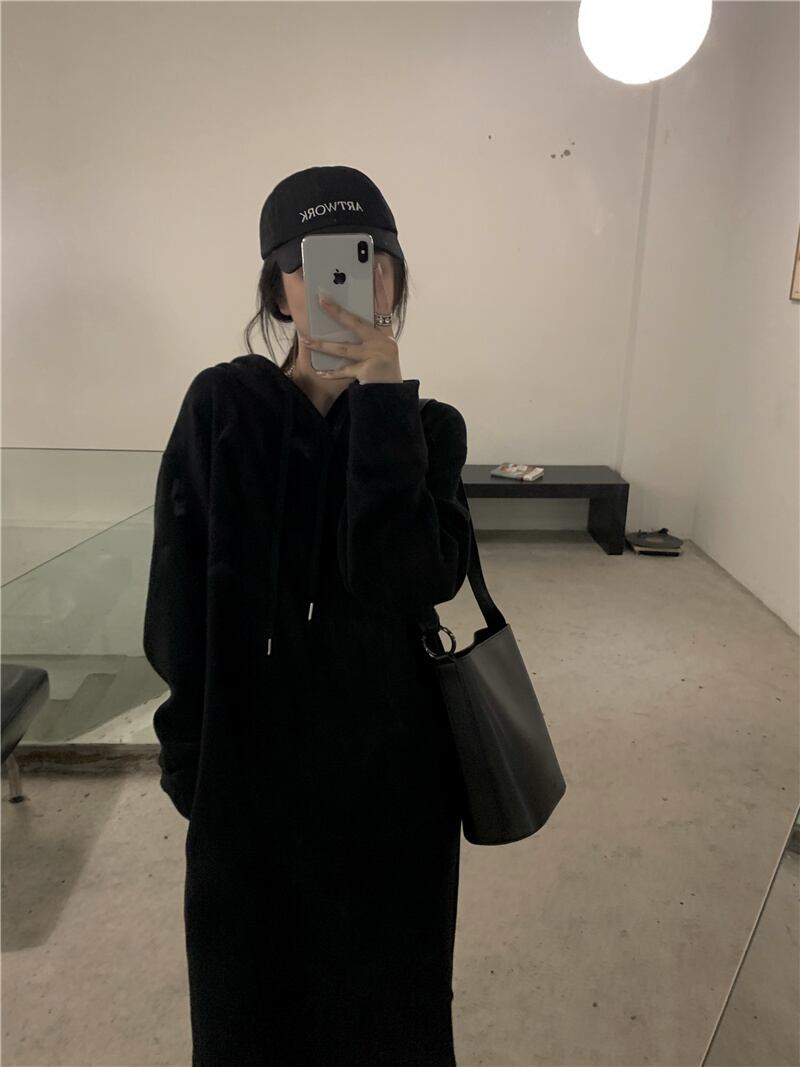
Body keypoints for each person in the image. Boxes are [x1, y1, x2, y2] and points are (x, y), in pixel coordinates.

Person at [143, 165, 472, 1066]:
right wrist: (189, 757)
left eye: (372, 256)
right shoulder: (223, 408)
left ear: (395, 276)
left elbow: (411, 578)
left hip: (396, 782)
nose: (351, 280)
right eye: (310, 262)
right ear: (278, 290)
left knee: (392, 1016)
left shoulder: (429, 427)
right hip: (248, 779)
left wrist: (383, 407)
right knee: (249, 1015)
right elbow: (177, 596)